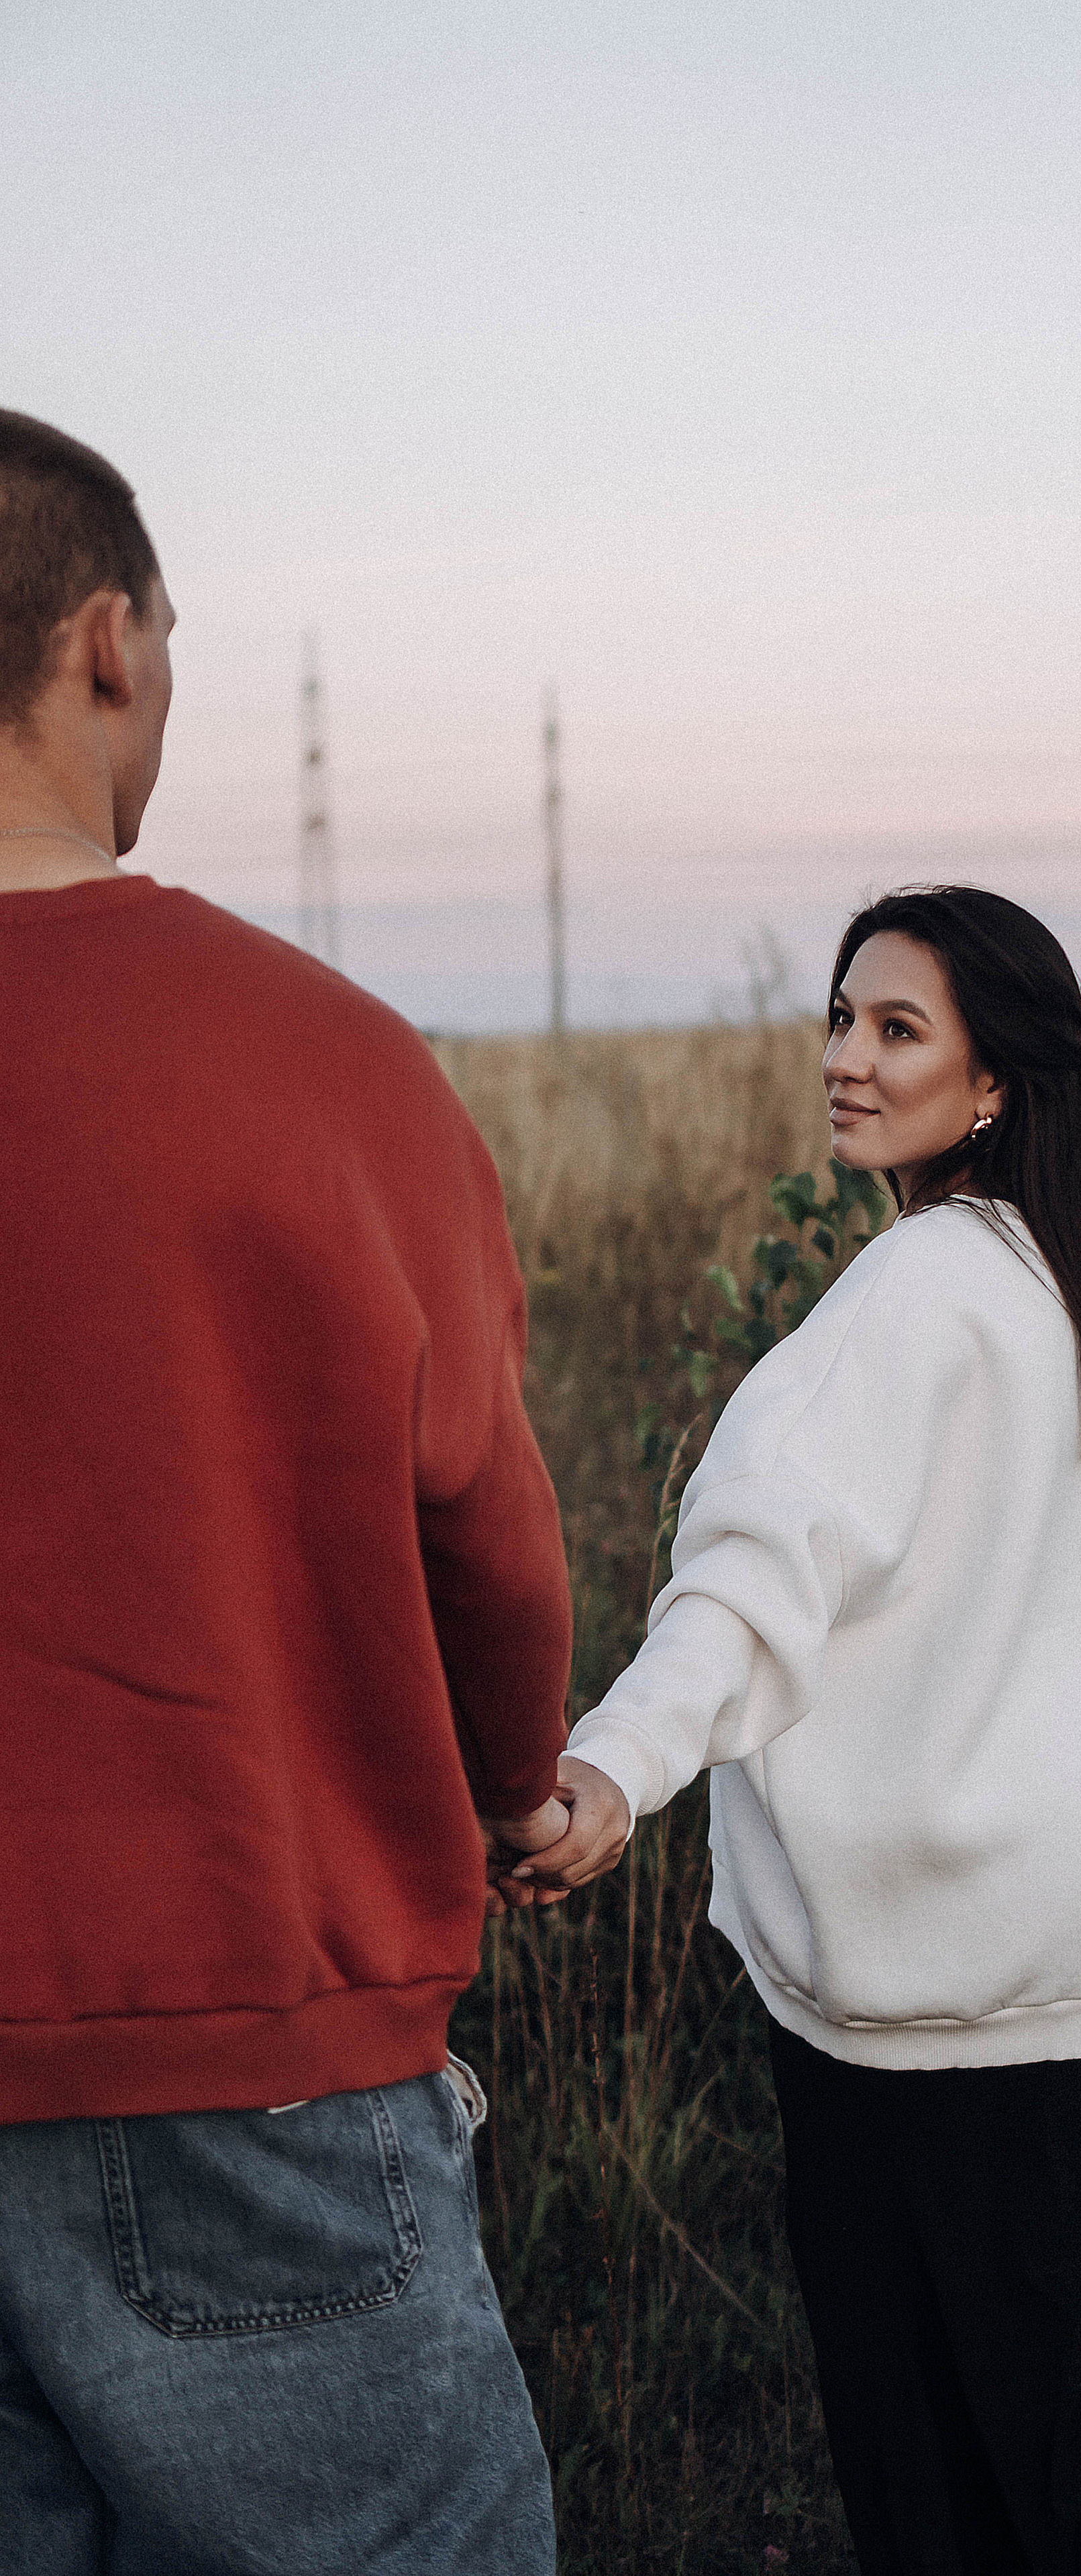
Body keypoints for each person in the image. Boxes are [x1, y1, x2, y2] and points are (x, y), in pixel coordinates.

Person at [0, 410, 582, 2574]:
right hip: (237, 2044)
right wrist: (516, 1784)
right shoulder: (325, 1062)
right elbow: (489, 1544)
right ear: (107, 650)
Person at [530, 885, 1081, 2574]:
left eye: (894, 1028)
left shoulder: (913, 1299)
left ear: (992, 1081)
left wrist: (612, 1767)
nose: (845, 1061)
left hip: (919, 2008)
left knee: (933, 2474)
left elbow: (753, 1579)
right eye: (838, 1022)